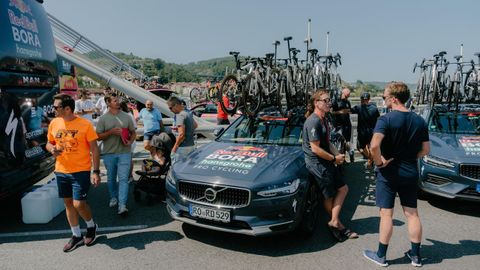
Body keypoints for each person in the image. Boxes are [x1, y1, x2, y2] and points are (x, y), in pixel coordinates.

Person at [363, 82, 430, 267]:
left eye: (384, 97)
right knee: (412, 214)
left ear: (393, 98)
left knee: (386, 215)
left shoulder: (386, 119)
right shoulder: (420, 120)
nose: (383, 100)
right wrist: (409, 157)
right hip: (410, 171)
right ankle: (416, 257)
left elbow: (375, 145)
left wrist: (379, 162)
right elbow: (425, 150)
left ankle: (381, 256)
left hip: (389, 173)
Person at [46, 94, 101, 252]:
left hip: (81, 171)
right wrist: (52, 150)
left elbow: (95, 149)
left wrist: (96, 171)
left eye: (56, 107)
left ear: (68, 109)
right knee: (68, 204)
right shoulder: (54, 123)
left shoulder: (85, 124)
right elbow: (49, 143)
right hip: (61, 170)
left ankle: (91, 227)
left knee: (79, 204)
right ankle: (76, 235)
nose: (53, 109)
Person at [302, 89, 358, 242]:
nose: (329, 103)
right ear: (316, 103)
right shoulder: (313, 121)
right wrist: (334, 159)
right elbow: (315, 148)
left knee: (343, 188)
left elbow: (327, 143)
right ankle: (337, 224)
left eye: (329, 100)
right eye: (325, 100)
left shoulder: (324, 120)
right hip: (318, 164)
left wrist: (338, 155)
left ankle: (334, 221)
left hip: (327, 161)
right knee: (330, 195)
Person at [96, 95, 136, 216]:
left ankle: (122, 205)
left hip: (125, 152)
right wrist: (110, 132)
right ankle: (113, 197)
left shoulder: (127, 116)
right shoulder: (103, 119)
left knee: (123, 179)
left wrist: (131, 141)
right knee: (111, 178)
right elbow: (98, 136)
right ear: (108, 103)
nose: (118, 102)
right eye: (115, 101)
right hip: (109, 153)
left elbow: (133, 133)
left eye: (118, 100)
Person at [350, 92, 380, 169]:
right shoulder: (374, 108)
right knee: (371, 147)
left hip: (362, 131)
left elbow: (349, 111)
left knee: (360, 147)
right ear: (369, 99)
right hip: (372, 131)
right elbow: (378, 118)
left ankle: (369, 159)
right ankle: (371, 159)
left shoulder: (358, 107)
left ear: (361, 99)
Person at [167, 96, 197, 162]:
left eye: (170, 108)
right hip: (191, 145)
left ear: (176, 105)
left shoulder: (180, 115)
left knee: (177, 168)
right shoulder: (188, 113)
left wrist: (174, 148)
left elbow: (181, 135)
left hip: (182, 148)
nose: (170, 110)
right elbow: (195, 125)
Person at [332, 87, 354, 162]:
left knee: (347, 142)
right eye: (346, 95)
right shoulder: (335, 102)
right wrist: (340, 112)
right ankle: (341, 157)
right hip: (338, 124)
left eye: (348, 95)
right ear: (343, 93)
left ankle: (348, 155)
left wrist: (349, 111)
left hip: (347, 124)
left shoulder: (348, 102)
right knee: (339, 141)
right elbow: (331, 112)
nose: (347, 97)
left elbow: (349, 111)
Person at [120, 99, 137, 182]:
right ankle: (125, 176)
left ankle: (130, 176)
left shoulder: (129, 115)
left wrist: (129, 141)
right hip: (121, 141)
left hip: (129, 141)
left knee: (129, 159)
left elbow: (134, 129)